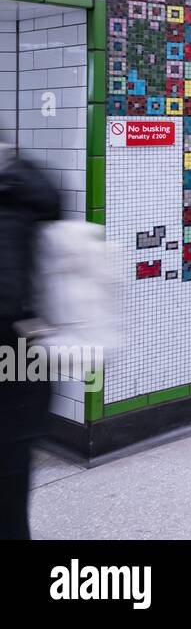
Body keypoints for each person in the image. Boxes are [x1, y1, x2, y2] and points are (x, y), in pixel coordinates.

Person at [0, 144, 61, 540]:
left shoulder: (22, 188)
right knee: (13, 463)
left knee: (12, 460)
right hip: (26, 340)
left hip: (18, 342)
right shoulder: (28, 184)